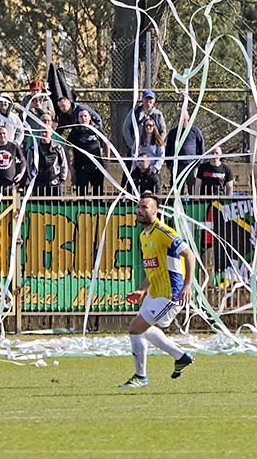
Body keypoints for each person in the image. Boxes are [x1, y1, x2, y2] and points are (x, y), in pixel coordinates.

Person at [120, 192, 196, 388]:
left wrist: (188, 285)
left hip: (171, 294)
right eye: (139, 207)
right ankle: (180, 357)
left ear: (156, 211)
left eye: (145, 207)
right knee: (143, 330)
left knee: (135, 329)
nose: (139, 210)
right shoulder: (144, 235)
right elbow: (152, 267)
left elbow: (189, 255)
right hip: (155, 292)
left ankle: (141, 377)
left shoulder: (163, 232)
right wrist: (142, 290)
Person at [67, 108, 107, 195]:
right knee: (81, 196)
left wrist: (107, 160)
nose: (83, 118)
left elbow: (107, 143)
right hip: (80, 168)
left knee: (98, 195)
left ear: (89, 117)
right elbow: (67, 147)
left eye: (85, 116)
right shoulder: (74, 131)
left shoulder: (97, 129)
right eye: (81, 116)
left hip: (97, 167)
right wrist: (69, 165)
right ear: (78, 118)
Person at [165, 108, 204, 195]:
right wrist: (169, 164)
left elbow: (201, 148)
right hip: (176, 165)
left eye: (183, 115)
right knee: (177, 189)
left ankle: (194, 207)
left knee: (193, 188)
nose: (181, 117)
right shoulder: (172, 132)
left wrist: (199, 164)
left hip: (191, 165)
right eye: (179, 115)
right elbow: (168, 148)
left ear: (188, 117)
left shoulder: (195, 131)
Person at [28, 113, 67, 196]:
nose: (44, 134)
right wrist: (32, 179)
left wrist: (62, 179)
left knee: (57, 207)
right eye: (42, 132)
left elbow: (63, 164)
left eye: (46, 132)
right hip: (39, 182)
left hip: (55, 182)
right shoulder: (33, 148)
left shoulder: (58, 147)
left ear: (51, 133)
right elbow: (29, 164)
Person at [122, 91, 167, 159]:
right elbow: (126, 128)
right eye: (146, 98)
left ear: (154, 100)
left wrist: (158, 143)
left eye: (151, 99)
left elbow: (163, 130)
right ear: (142, 99)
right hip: (137, 149)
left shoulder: (158, 114)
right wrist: (131, 144)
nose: (148, 101)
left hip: (153, 150)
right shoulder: (135, 112)